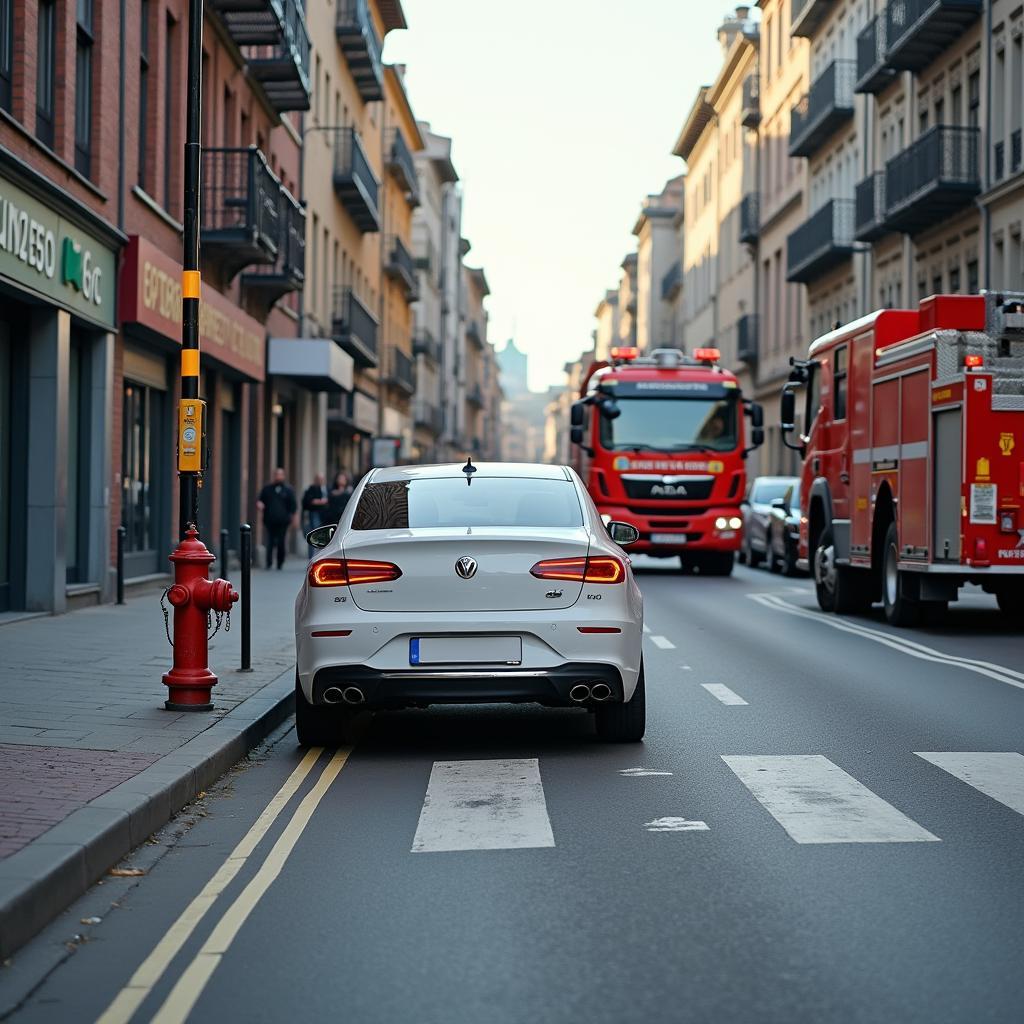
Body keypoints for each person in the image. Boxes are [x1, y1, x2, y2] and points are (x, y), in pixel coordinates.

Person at [256, 468, 297, 570]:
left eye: (280, 475)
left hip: (283, 521)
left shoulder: (288, 490)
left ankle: (280, 562)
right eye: (276, 475)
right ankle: (269, 562)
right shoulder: (267, 489)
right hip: (269, 520)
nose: (278, 477)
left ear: (283, 476)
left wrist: (293, 518)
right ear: (274, 476)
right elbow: (260, 500)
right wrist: (260, 504)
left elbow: (293, 506)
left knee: (281, 542)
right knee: (269, 541)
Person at [302, 473, 329, 557]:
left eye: (322, 479)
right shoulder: (311, 489)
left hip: (326, 515)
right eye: (318, 479)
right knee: (314, 534)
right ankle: (312, 556)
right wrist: (321, 501)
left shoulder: (327, 488)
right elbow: (308, 501)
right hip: (315, 514)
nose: (320, 481)